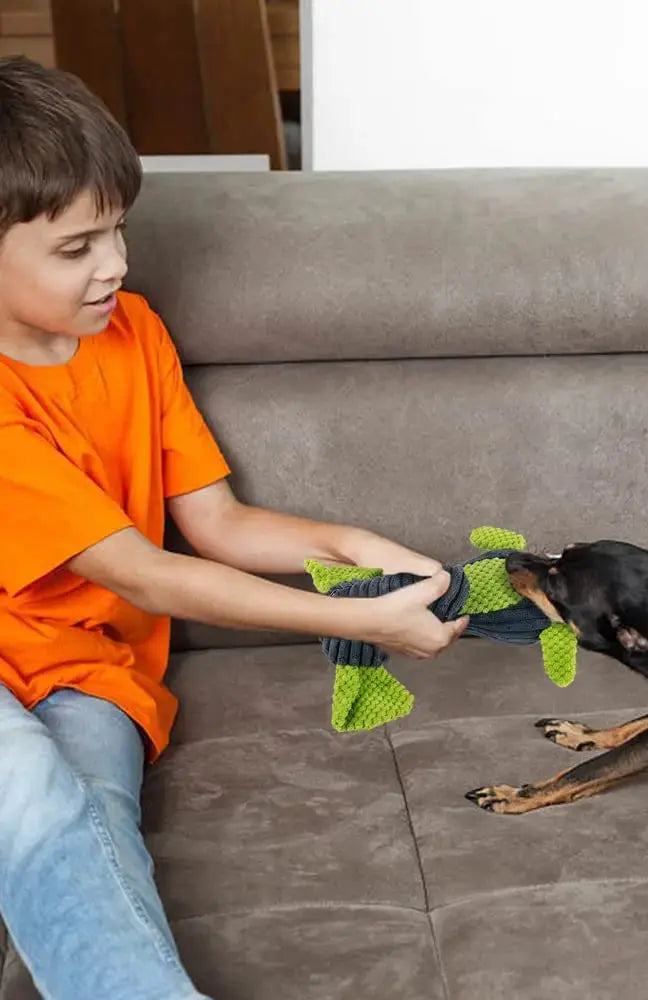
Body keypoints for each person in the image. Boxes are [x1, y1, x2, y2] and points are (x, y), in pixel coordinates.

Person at [0, 56, 467, 1000]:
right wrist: (360, 622)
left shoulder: (132, 331)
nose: (117, 264)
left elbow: (215, 523)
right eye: (76, 247)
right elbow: (147, 574)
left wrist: (350, 548)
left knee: (94, 818)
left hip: (91, 674)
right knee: (34, 803)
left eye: (119, 232)